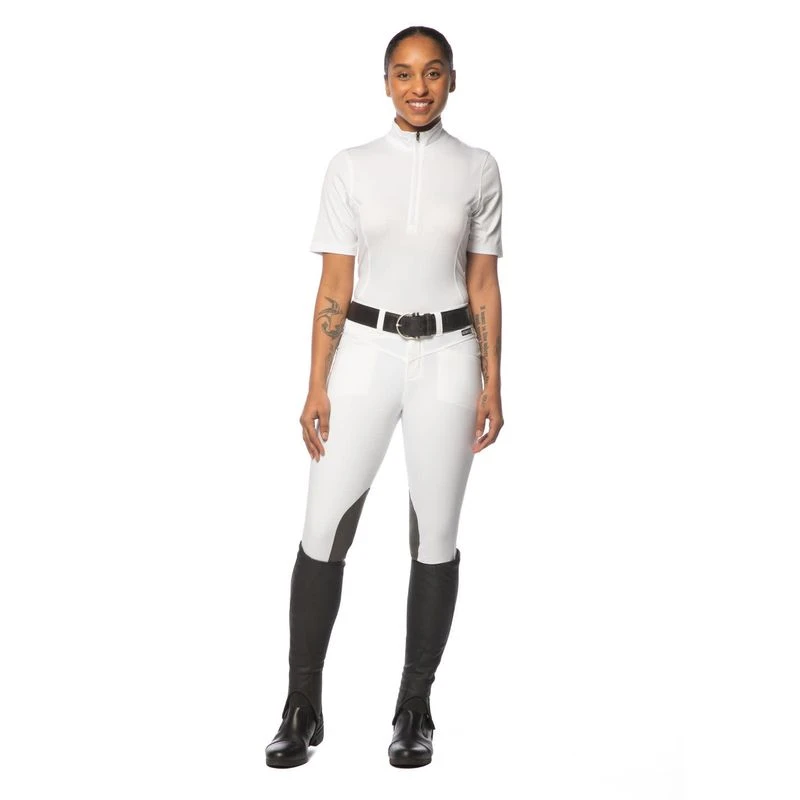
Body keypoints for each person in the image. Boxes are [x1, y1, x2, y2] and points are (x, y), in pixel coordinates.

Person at [265, 25, 504, 769]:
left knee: (436, 536)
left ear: (452, 79)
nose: (418, 87)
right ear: (386, 82)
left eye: (432, 73)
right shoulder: (351, 166)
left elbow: (483, 281)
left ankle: (414, 708)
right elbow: (334, 283)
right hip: (365, 353)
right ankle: (301, 706)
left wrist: (493, 380)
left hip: (449, 357)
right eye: (403, 73)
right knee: (322, 528)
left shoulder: (479, 168)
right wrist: (316, 382)